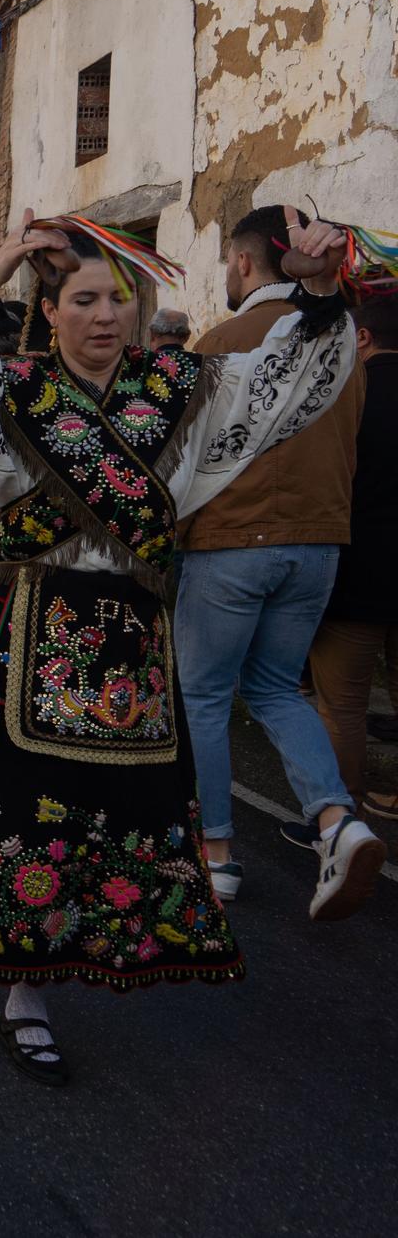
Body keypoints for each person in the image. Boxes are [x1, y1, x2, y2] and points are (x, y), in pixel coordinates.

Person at [0, 206, 358, 1085]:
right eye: (85, 299)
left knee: (122, 812)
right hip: (31, 625)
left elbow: (285, 382)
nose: (106, 314)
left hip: (131, 634)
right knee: (27, 808)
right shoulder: (15, 392)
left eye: (120, 299)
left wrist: (322, 285)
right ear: (53, 310)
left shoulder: (183, 390)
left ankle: (99, 941)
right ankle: (23, 994)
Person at [174, 205, 376, 909]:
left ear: (242, 261)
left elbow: (187, 456)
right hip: (319, 544)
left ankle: (218, 853)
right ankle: (336, 819)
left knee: (201, 694)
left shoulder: (225, 338)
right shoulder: (344, 342)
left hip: (233, 541)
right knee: (277, 689)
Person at [308, 293, 398, 820]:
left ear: (362, 337)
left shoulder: (349, 392)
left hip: (359, 570)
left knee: (342, 705)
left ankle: (343, 819)